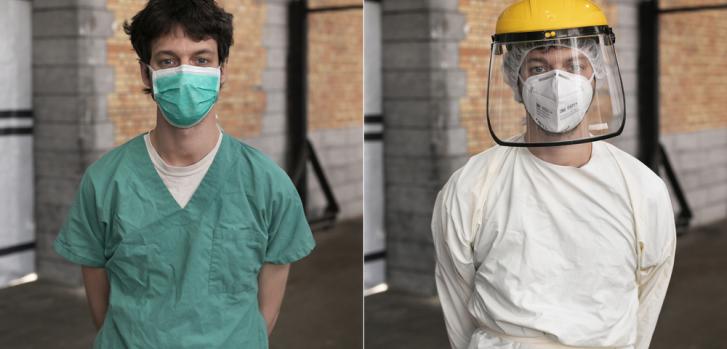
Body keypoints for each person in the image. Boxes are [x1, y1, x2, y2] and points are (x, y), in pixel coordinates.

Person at [52, 1, 315, 347]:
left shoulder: (268, 184)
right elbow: (100, 304)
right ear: (146, 73)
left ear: (223, 70)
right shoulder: (105, 182)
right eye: (168, 60)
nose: (186, 72)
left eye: (202, 59)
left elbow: (266, 311)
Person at [432, 0, 676, 348]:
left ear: (596, 74)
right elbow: (457, 306)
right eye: (537, 67)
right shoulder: (471, 189)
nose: (557, 82)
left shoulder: (642, 191)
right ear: (515, 78)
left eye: (575, 64)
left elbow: (646, 303)